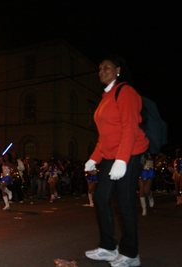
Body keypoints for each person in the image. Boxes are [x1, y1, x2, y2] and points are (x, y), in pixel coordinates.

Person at [84, 55, 149, 267]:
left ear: (118, 70)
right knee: (101, 198)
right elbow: (104, 136)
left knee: (124, 202)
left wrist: (122, 160)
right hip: (112, 155)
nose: (101, 71)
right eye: (100, 68)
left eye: (107, 67)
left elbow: (129, 127)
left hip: (130, 152)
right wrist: (94, 158)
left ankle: (131, 254)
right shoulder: (105, 97)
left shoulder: (125, 91)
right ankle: (108, 248)